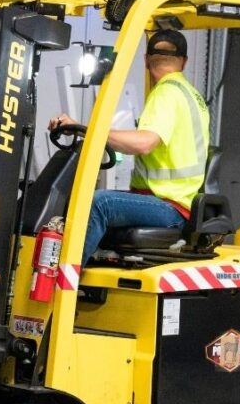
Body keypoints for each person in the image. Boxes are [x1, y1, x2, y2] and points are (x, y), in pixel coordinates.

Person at [48, 28, 210, 265]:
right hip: (175, 203)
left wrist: (91, 131)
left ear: (146, 60)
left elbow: (144, 143)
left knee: (98, 203)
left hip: (169, 207)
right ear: (184, 62)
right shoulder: (191, 95)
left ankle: (64, 283)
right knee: (90, 201)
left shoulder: (166, 93)